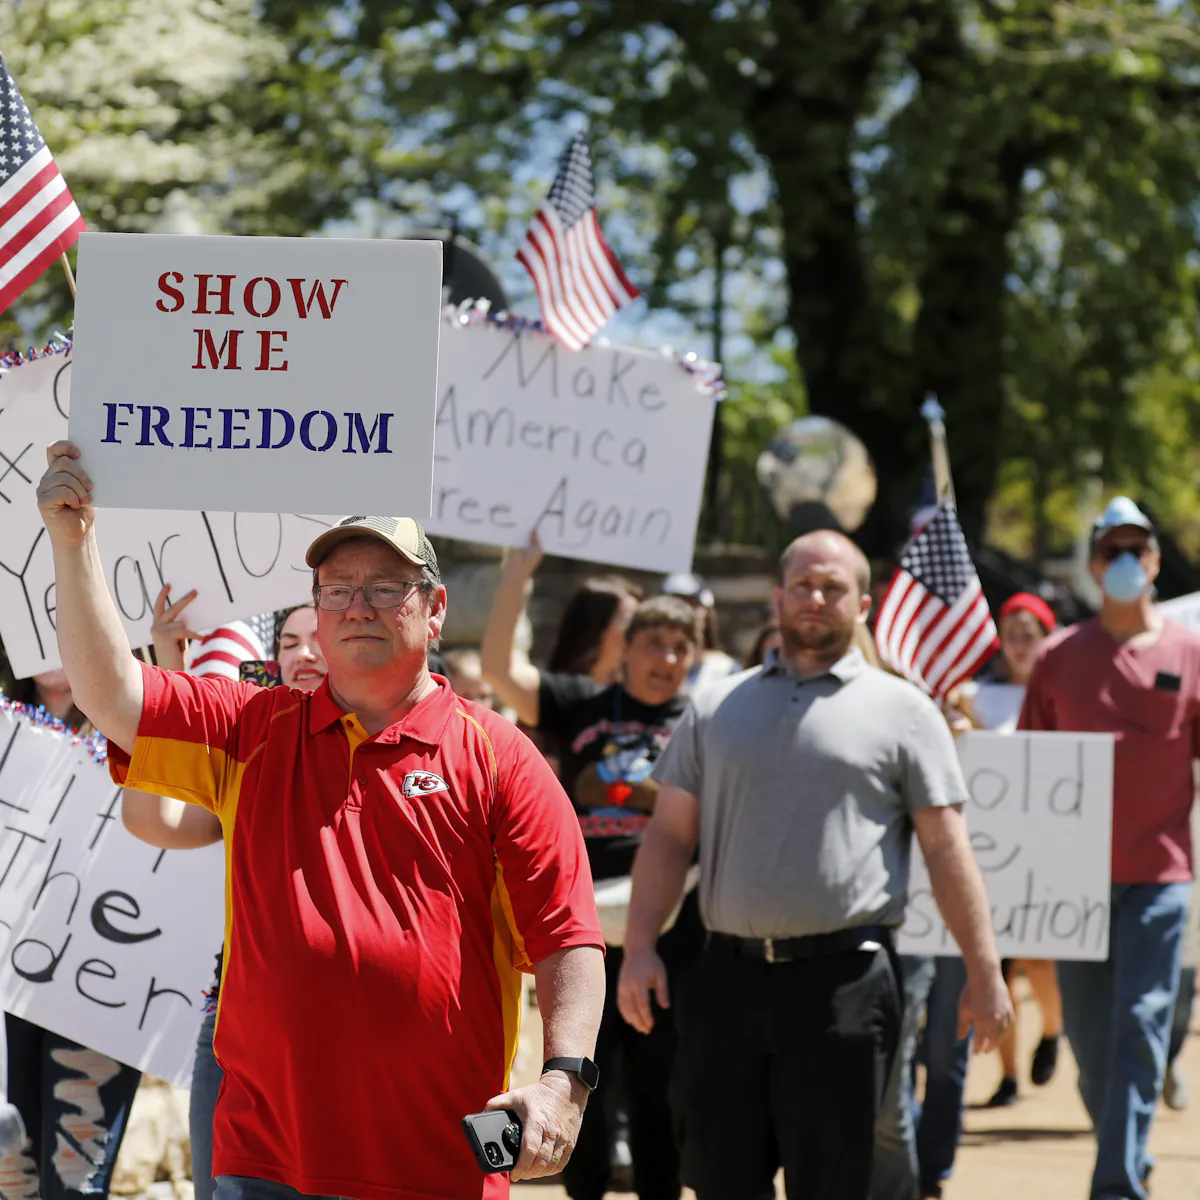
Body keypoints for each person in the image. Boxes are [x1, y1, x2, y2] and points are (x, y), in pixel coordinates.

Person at [36, 439, 606, 1200]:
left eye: (384, 587)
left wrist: (566, 1081)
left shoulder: (500, 756)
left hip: (430, 1166)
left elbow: (567, 933)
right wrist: (74, 544)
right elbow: (111, 696)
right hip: (263, 1158)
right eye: (336, 588)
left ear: (434, 609)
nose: (356, 604)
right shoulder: (253, 727)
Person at [618, 530, 1013, 1200]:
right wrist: (637, 949)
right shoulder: (717, 707)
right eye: (802, 584)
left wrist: (984, 970)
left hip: (845, 987)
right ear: (777, 597)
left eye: (833, 587)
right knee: (718, 1178)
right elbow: (667, 837)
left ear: (864, 604)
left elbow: (947, 850)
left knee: (830, 1185)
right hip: (724, 984)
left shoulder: (905, 712)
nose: (816, 598)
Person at [486, 579, 703, 1200]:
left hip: (672, 927)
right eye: (654, 643)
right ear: (625, 649)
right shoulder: (580, 702)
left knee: (660, 1088)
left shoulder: (702, 722)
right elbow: (503, 670)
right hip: (581, 928)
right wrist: (519, 573)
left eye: (681, 647)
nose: (666, 658)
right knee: (579, 1082)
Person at [1020, 497, 1198, 1200]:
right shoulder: (1059, 657)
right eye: (1110, 550)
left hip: (1160, 876)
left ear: (1154, 561)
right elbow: (1028, 769)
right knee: (1092, 1047)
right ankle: (1126, 1148)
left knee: (1140, 1021)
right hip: (1073, 881)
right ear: (1093, 565)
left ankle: (1115, 1185)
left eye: (1137, 549)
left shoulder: (1190, 655)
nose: (1125, 562)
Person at [122, 601, 327, 1200]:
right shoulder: (249, 750)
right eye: (289, 642)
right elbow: (153, 819)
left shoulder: (397, 743)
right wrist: (171, 671)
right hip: (236, 1022)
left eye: (318, 636)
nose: (304, 653)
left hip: (346, 1027)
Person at [0, 669, 143, 1200]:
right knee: (13, 1181)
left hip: (97, 994)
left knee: (73, 1186)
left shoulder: (132, 732)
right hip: (9, 997)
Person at [962, 592, 1063, 1108]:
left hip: (1049, 850)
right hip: (992, 853)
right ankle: (1008, 1075)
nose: (1022, 645)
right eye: (1013, 634)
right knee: (998, 966)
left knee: (1040, 962)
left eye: (1032, 634)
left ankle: (1052, 1031)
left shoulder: (1067, 694)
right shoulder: (975, 696)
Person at [660, 572, 740, 694]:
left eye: (690, 605)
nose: (680, 613)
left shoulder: (725, 670)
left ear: (707, 612)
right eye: (673, 604)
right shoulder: (644, 663)